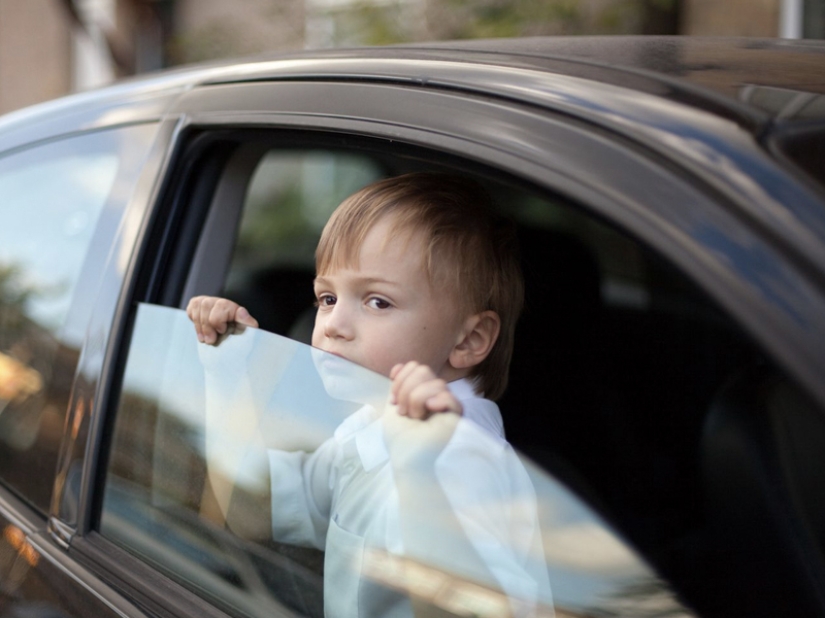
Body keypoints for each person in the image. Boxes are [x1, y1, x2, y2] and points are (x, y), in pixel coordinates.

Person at [187, 173, 553, 618]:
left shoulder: (459, 456)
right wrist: (227, 372)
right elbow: (251, 511)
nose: (333, 324)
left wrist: (420, 475)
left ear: (470, 339)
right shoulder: (365, 432)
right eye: (326, 298)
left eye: (377, 301)